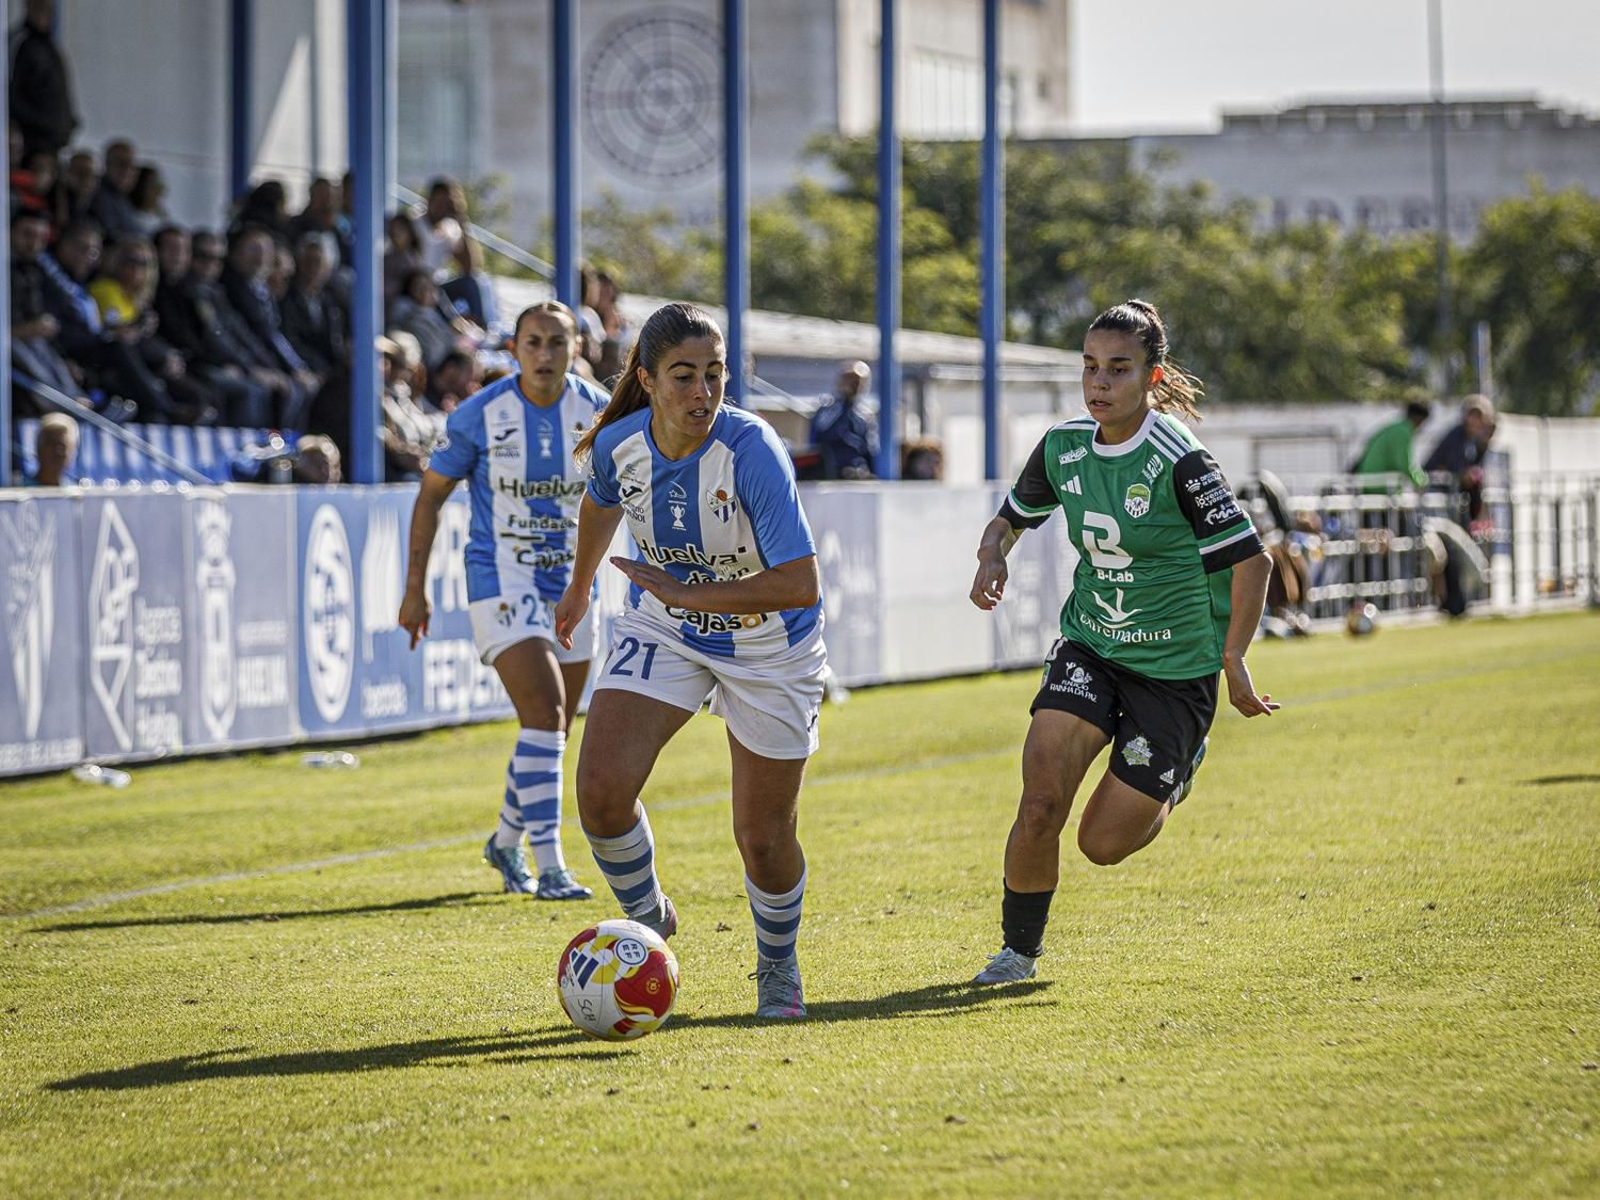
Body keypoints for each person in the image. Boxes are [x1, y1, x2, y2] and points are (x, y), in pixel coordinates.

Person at [967, 298, 1276, 985]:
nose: (1099, 383)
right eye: (1090, 368)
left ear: (1153, 378)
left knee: (1101, 844)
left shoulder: (1181, 460)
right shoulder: (1064, 447)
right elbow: (1008, 520)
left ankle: (1178, 770)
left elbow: (1255, 562)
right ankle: (1017, 953)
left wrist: (1234, 660)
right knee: (1041, 799)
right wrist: (994, 556)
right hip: (1092, 647)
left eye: (1118, 369)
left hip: (1174, 672)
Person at [554, 302, 827, 1019]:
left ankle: (777, 967)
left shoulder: (754, 450)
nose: (702, 392)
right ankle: (648, 922)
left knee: (763, 839)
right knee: (601, 794)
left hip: (771, 644)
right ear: (646, 380)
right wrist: (580, 585)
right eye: (683, 376)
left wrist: (688, 586)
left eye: (715, 375)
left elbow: (801, 582)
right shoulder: (619, 444)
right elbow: (599, 503)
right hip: (666, 627)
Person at [398, 302, 606, 901]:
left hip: (570, 583)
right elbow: (430, 496)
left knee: (555, 728)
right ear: (513, 350)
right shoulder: (479, 416)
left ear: (576, 349)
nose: (544, 354)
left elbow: (625, 491)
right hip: (501, 577)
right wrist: (415, 587)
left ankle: (504, 842)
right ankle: (553, 866)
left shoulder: (596, 411)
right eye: (533, 342)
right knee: (542, 717)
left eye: (557, 343)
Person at [9, 0, 78, 159]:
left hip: (55, 142)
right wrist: (40, 122)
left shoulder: (49, 46)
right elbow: (10, 92)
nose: (45, 12)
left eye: (48, 8)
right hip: (32, 143)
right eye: (40, 6)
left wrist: (69, 123)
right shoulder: (20, 43)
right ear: (28, 6)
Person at [1423, 394, 1496, 524]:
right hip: (1438, 498)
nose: (1474, 420)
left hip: (1452, 500)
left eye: (1479, 417)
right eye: (1472, 415)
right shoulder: (1456, 437)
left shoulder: (1473, 440)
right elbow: (1458, 473)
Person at [810, 360, 878, 479]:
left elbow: (870, 449)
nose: (853, 385)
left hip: (857, 474)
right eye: (849, 380)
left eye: (858, 382)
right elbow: (818, 437)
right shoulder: (827, 410)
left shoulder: (865, 416)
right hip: (829, 473)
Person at [1353, 400, 1430, 490]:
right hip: (1378, 485)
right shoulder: (1403, 431)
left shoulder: (1395, 427)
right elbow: (1403, 464)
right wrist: (1420, 483)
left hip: (1369, 481)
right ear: (1418, 418)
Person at [26, 412, 78, 486]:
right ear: (38, 449)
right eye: (51, 444)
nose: (57, 451)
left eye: (63, 446)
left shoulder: (75, 493)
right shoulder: (17, 492)